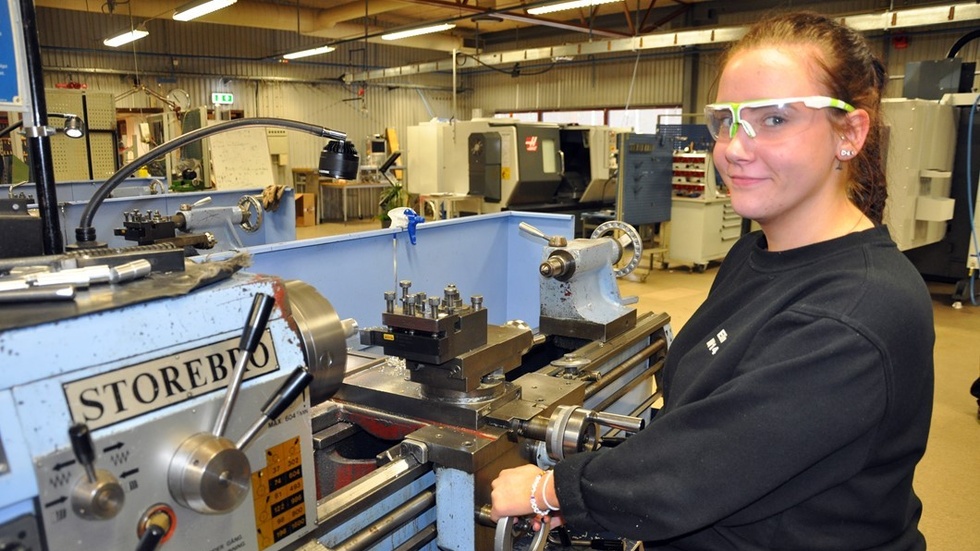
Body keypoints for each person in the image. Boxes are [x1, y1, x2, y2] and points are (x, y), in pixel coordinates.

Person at [491, 11, 935, 550]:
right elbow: (702, 419)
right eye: (727, 119)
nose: (734, 148)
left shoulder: (858, 311)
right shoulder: (753, 254)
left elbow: (699, 470)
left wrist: (552, 490)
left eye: (773, 120)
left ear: (850, 132)